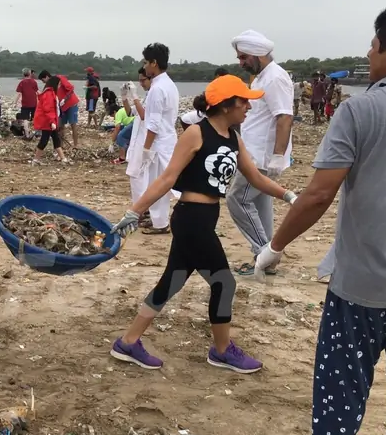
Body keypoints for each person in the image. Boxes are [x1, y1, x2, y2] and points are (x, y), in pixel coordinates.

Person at [255, 4, 386, 435]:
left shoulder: (360, 110)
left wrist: (275, 247)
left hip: (364, 283)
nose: (367, 53)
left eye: (374, 45)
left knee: (342, 385)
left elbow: (316, 196)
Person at [110, 75, 298, 372]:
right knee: (225, 282)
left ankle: (128, 342)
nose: (248, 107)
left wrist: (289, 196)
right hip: (191, 218)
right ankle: (222, 350)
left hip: (206, 218)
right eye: (243, 101)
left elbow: (256, 178)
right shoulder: (196, 134)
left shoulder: (234, 138)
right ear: (225, 105)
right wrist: (135, 211)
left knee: (171, 282)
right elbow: (168, 177)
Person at [226, 29, 294, 275]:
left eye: (244, 57)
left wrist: (277, 155)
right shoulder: (263, 77)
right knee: (260, 203)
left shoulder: (275, 78)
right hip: (254, 154)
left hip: (262, 159)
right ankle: (270, 259)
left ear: (257, 55)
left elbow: (284, 116)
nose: (241, 63)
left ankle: (261, 254)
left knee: (237, 199)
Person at [136, 42, 180, 235]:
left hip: (158, 142)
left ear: (154, 63)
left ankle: (160, 223)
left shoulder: (157, 88)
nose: (144, 66)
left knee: (158, 183)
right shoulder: (170, 85)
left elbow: (152, 122)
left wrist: (146, 149)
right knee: (162, 182)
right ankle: (158, 219)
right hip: (169, 139)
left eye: (146, 62)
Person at [123, 68, 151, 221]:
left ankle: (141, 209)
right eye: (139, 80)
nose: (141, 83)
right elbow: (130, 112)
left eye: (143, 80)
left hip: (146, 141)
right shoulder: (147, 96)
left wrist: (134, 97)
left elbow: (143, 114)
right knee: (136, 176)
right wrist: (124, 97)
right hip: (138, 140)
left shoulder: (153, 95)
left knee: (139, 177)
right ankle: (141, 209)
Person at [39, 70, 80, 149]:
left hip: (71, 104)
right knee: (61, 126)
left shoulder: (60, 78)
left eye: (43, 80)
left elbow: (71, 89)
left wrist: (65, 99)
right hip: (61, 107)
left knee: (73, 124)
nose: (43, 82)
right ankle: (61, 146)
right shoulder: (48, 85)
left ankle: (76, 145)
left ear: (47, 77)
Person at [30, 76, 68, 165]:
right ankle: (36, 160)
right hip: (47, 121)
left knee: (55, 139)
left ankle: (63, 158)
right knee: (45, 140)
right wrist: (52, 122)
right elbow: (48, 109)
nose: (59, 86)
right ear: (55, 84)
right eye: (59, 84)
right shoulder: (49, 94)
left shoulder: (51, 93)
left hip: (48, 121)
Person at [108, 100, 134, 164]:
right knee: (128, 139)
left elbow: (117, 128)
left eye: (113, 116)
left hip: (133, 123)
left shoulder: (118, 113)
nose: (114, 118)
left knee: (120, 136)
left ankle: (122, 158)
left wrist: (112, 142)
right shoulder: (123, 110)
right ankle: (129, 156)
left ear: (114, 112)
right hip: (137, 123)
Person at [15, 68, 38, 138]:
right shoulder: (34, 82)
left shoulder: (22, 82)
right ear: (30, 74)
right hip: (34, 103)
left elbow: (19, 94)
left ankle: (27, 135)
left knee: (25, 119)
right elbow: (37, 92)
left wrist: (15, 102)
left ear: (23, 74)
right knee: (35, 118)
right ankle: (36, 132)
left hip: (25, 104)